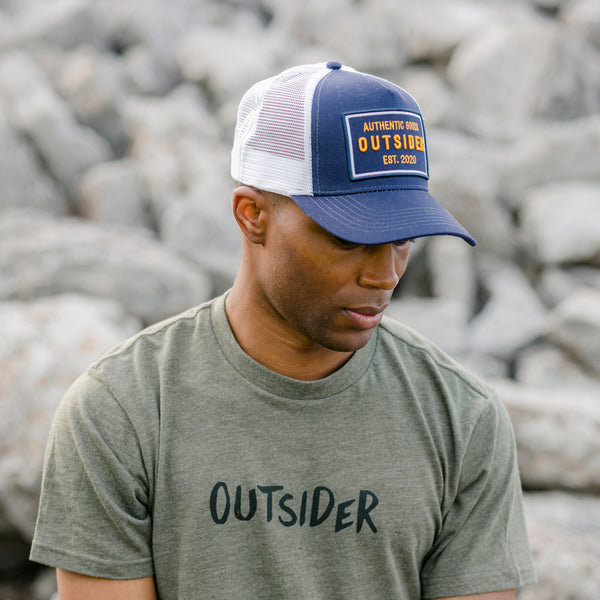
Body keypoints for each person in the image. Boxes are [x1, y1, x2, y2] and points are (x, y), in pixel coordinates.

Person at [30, 62, 536, 599]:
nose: (384, 274)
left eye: (403, 238)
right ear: (252, 215)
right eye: (348, 238)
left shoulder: (462, 417)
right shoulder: (121, 410)